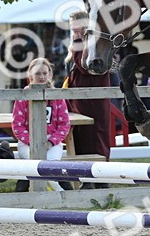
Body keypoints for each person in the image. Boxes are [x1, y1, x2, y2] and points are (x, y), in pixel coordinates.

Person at [65, 11, 112, 161]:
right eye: (72, 27)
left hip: (93, 99)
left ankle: (101, 176)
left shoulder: (95, 43)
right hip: (78, 99)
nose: (74, 31)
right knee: (81, 135)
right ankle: (85, 176)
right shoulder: (77, 43)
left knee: (96, 136)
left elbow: (85, 66)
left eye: (77, 27)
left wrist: (77, 46)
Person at [11, 58, 71, 161]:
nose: (42, 77)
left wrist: (50, 142)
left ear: (50, 74)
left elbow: (64, 124)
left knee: (51, 161)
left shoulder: (57, 96)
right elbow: (17, 125)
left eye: (44, 73)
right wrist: (32, 141)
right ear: (31, 75)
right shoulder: (23, 95)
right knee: (34, 160)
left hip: (52, 140)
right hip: (28, 140)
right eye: (37, 74)